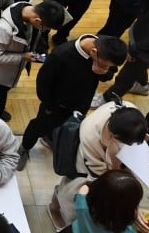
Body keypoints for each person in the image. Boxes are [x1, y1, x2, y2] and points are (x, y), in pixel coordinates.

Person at [19, 35, 128, 170]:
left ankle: (52, 139)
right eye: (104, 65)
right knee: (39, 126)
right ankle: (24, 147)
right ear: (93, 52)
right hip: (56, 104)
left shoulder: (107, 48)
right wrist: (48, 104)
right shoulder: (61, 55)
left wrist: (103, 71)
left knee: (69, 128)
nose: (106, 67)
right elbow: (43, 82)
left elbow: (110, 73)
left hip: (82, 103)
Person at [0, 0, 67, 122]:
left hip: (9, 69)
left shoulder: (27, 9)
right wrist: (22, 57)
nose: (44, 31)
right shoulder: (4, 29)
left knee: (2, 92)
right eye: (45, 28)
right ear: (37, 21)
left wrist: (38, 55)